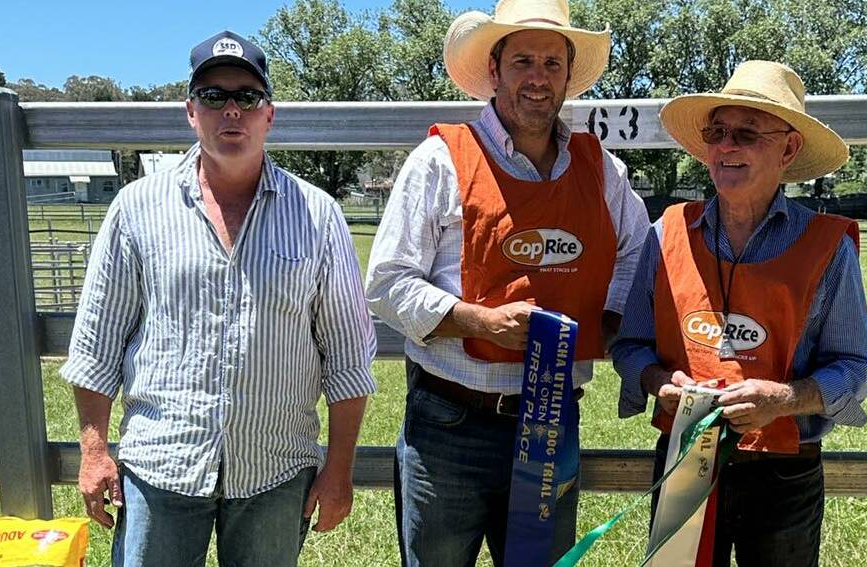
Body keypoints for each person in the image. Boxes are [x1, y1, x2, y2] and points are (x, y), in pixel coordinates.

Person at [61, 30, 377, 567]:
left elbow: (348, 357)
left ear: (268, 114)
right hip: (161, 464)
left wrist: (339, 469)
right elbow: (97, 344)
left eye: (247, 97)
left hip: (275, 468)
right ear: (191, 111)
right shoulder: (136, 209)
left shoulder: (318, 216)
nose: (231, 110)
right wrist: (93, 453)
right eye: (213, 96)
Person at [364, 0, 649, 564]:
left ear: (568, 76)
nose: (537, 79)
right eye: (522, 61)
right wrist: (479, 321)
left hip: (552, 420)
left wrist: (606, 321)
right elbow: (386, 280)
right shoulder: (440, 160)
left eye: (551, 63)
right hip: (452, 423)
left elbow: (637, 254)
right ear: (493, 72)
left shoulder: (604, 170)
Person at [611, 60, 867, 566]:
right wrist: (660, 386)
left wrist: (782, 399)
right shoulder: (665, 235)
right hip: (684, 459)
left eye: (747, 133)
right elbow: (629, 346)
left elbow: (859, 368)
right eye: (717, 132)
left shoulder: (827, 248)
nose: (726, 146)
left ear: (789, 148)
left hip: (784, 472)